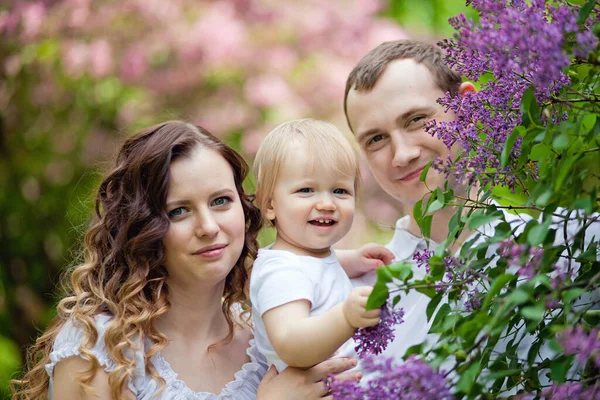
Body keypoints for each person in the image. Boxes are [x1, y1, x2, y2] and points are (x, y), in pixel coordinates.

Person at [11, 121, 359, 400]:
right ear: (143, 228)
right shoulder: (100, 349)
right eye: (178, 211)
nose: (209, 227)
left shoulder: (265, 339)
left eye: (221, 201)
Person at [341, 39, 600, 375]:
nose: (402, 154)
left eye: (416, 120)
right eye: (376, 139)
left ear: (468, 106)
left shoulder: (577, 246)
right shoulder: (348, 298)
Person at [250, 119, 393, 373]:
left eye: (340, 191)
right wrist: (345, 318)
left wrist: (353, 260)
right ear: (270, 205)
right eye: (306, 190)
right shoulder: (280, 273)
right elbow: (290, 343)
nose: (326, 203)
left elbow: (318, 268)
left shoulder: (302, 258)